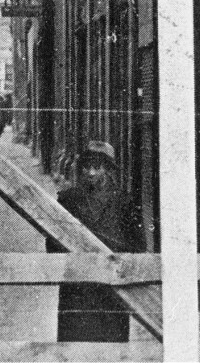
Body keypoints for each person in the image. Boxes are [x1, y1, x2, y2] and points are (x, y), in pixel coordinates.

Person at [48, 140, 143, 342]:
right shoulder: (68, 200)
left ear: (108, 169)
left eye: (97, 167)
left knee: (111, 345)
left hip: (111, 290)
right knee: (75, 347)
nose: (90, 173)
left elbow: (137, 246)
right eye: (86, 166)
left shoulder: (124, 203)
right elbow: (52, 242)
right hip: (77, 288)